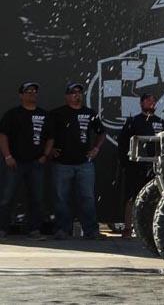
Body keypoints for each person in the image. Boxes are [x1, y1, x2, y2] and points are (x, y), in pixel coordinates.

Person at [49, 82, 106, 240]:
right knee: (61, 198)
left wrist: (96, 149)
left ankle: (91, 231)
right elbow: (46, 135)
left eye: (79, 92)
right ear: (67, 96)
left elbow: (101, 133)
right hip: (62, 163)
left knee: (87, 197)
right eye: (73, 92)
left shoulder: (89, 113)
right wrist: (50, 150)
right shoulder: (57, 114)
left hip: (84, 163)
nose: (77, 95)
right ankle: (62, 229)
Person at [0, 82, 53, 240]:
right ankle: (2, 229)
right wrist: (7, 156)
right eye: (28, 91)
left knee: (37, 198)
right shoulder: (12, 114)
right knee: (6, 197)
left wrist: (45, 155)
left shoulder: (44, 115)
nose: (32, 94)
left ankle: (34, 230)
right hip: (14, 163)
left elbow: (51, 137)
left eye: (34, 91)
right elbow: (3, 136)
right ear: (21, 95)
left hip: (36, 163)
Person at [117, 93, 164, 238]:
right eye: (147, 100)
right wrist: (126, 164)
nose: (151, 102)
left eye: (153, 100)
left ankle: (152, 230)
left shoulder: (162, 123)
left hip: (156, 168)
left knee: (156, 198)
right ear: (141, 103)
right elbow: (122, 144)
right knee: (131, 197)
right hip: (135, 167)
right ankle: (127, 228)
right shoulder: (133, 121)